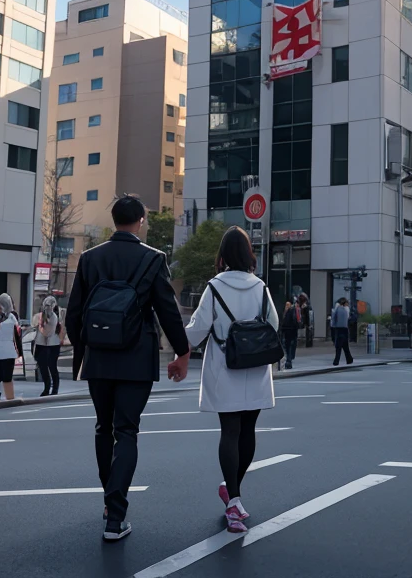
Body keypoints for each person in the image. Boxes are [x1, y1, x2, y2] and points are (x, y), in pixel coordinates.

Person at [65, 194, 192, 541]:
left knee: (103, 428)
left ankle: (110, 506)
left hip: (99, 359)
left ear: (114, 220)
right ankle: (115, 515)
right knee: (127, 431)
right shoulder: (153, 259)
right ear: (140, 221)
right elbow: (167, 309)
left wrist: (85, 349)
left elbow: (74, 312)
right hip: (137, 359)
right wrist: (182, 352)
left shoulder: (90, 259)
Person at [184, 226, 277, 533]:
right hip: (256, 367)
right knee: (248, 430)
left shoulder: (214, 287)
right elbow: (273, 324)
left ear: (222, 255)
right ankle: (234, 491)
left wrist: (177, 348)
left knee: (230, 431)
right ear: (248, 254)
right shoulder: (260, 287)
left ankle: (233, 499)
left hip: (225, 366)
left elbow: (197, 331)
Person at [34, 296, 62, 397]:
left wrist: (41, 325)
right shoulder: (40, 316)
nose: (47, 308)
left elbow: (47, 332)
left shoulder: (54, 317)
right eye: (46, 305)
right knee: (43, 367)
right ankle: (47, 388)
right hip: (41, 344)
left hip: (52, 344)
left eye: (49, 306)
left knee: (52, 366)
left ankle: (54, 388)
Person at [330, 297, 354, 366]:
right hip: (345, 329)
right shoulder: (346, 309)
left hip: (338, 329)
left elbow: (334, 318)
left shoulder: (337, 309)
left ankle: (337, 361)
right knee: (345, 345)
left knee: (338, 346)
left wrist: (333, 326)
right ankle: (349, 359)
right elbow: (348, 318)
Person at [281, 296, 301, 370]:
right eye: (286, 305)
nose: (286, 306)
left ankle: (289, 361)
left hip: (290, 331)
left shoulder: (291, 311)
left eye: (288, 305)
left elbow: (293, 321)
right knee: (288, 346)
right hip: (288, 331)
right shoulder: (286, 312)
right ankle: (289, 360)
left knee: (289, 346)